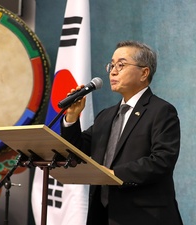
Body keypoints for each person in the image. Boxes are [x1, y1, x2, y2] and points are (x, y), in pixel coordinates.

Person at [60, 40, 183, 225]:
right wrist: (71, 118)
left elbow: (162, 161)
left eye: (121, 65)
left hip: (144, 217)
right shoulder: (106, 116)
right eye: (111, 65)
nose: (113, 71)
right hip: (102, 215)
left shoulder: (162, 111)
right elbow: (77, 152)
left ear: (144, 73)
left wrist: (113, 174)